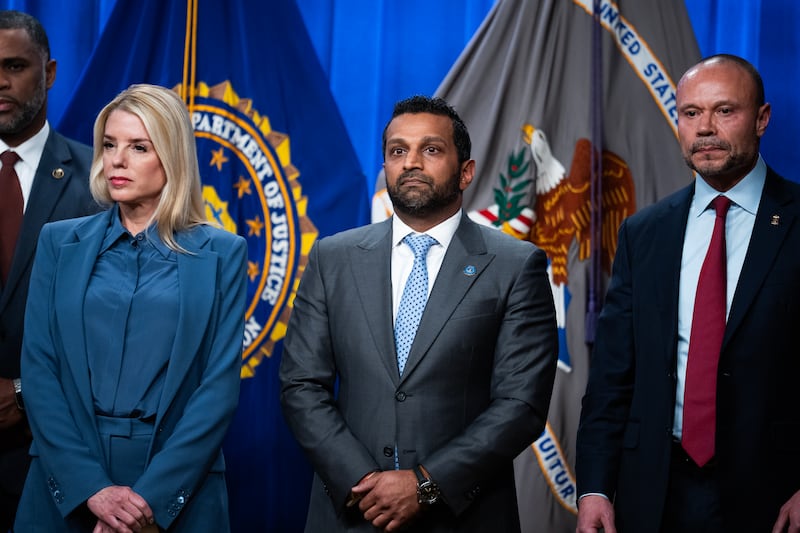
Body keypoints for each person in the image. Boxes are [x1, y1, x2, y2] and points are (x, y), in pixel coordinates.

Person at [279, 95, 558, 532]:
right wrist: (365, 482)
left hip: (464, 516)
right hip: (353, 513)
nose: (411, 162)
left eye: (431, 149)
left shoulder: (515, 264)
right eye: (397, 151)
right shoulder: (332, 258)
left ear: (466, 171)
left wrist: (425, 486)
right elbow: (301, 385)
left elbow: (520, 405)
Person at [575, 54, 800, 532]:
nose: (704, 128)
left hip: (774, 495)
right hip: (653, 491)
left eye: (725, 111)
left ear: (762, 119)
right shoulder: (645, 231)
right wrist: (594, 487)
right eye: (691, 113)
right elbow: (612, 376)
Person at [13, 84, 247, 532]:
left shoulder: (223, 253)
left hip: (174, 486)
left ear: (172, 156)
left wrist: (147, 504)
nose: (116, 160)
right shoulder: (58, 243)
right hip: (66, 474)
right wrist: (92, 490)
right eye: (109, 145)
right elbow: (40, 369)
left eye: (139, 147)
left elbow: (216, 393)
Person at [0, 10, 100, 529]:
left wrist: (22, 392)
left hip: (56, 452)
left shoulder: (102, 185)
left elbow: (109, 327)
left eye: (14, 66)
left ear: (50, 72)